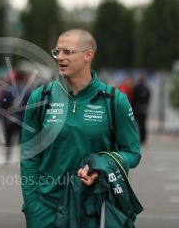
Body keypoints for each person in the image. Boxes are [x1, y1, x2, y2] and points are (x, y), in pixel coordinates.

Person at [20, 29, 141, 227]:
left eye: (67, 52)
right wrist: (32, 204)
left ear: (88, 55)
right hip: (46, 209)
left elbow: (132, 153)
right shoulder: (41, 97)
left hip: (94, 209)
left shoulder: (114, 100)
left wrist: (101, 164)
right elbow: (29, 155)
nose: (60, 57)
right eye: (57, 52)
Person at [131, 72, 151, 144]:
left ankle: (135, 138)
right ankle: (143, 139)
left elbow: (133, 98)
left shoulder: (136, 88)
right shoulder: (147, 88)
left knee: (134, 124)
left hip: (136, 108)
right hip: (144, 108)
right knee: (142, 124)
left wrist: (132, 107)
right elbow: (148, 98)